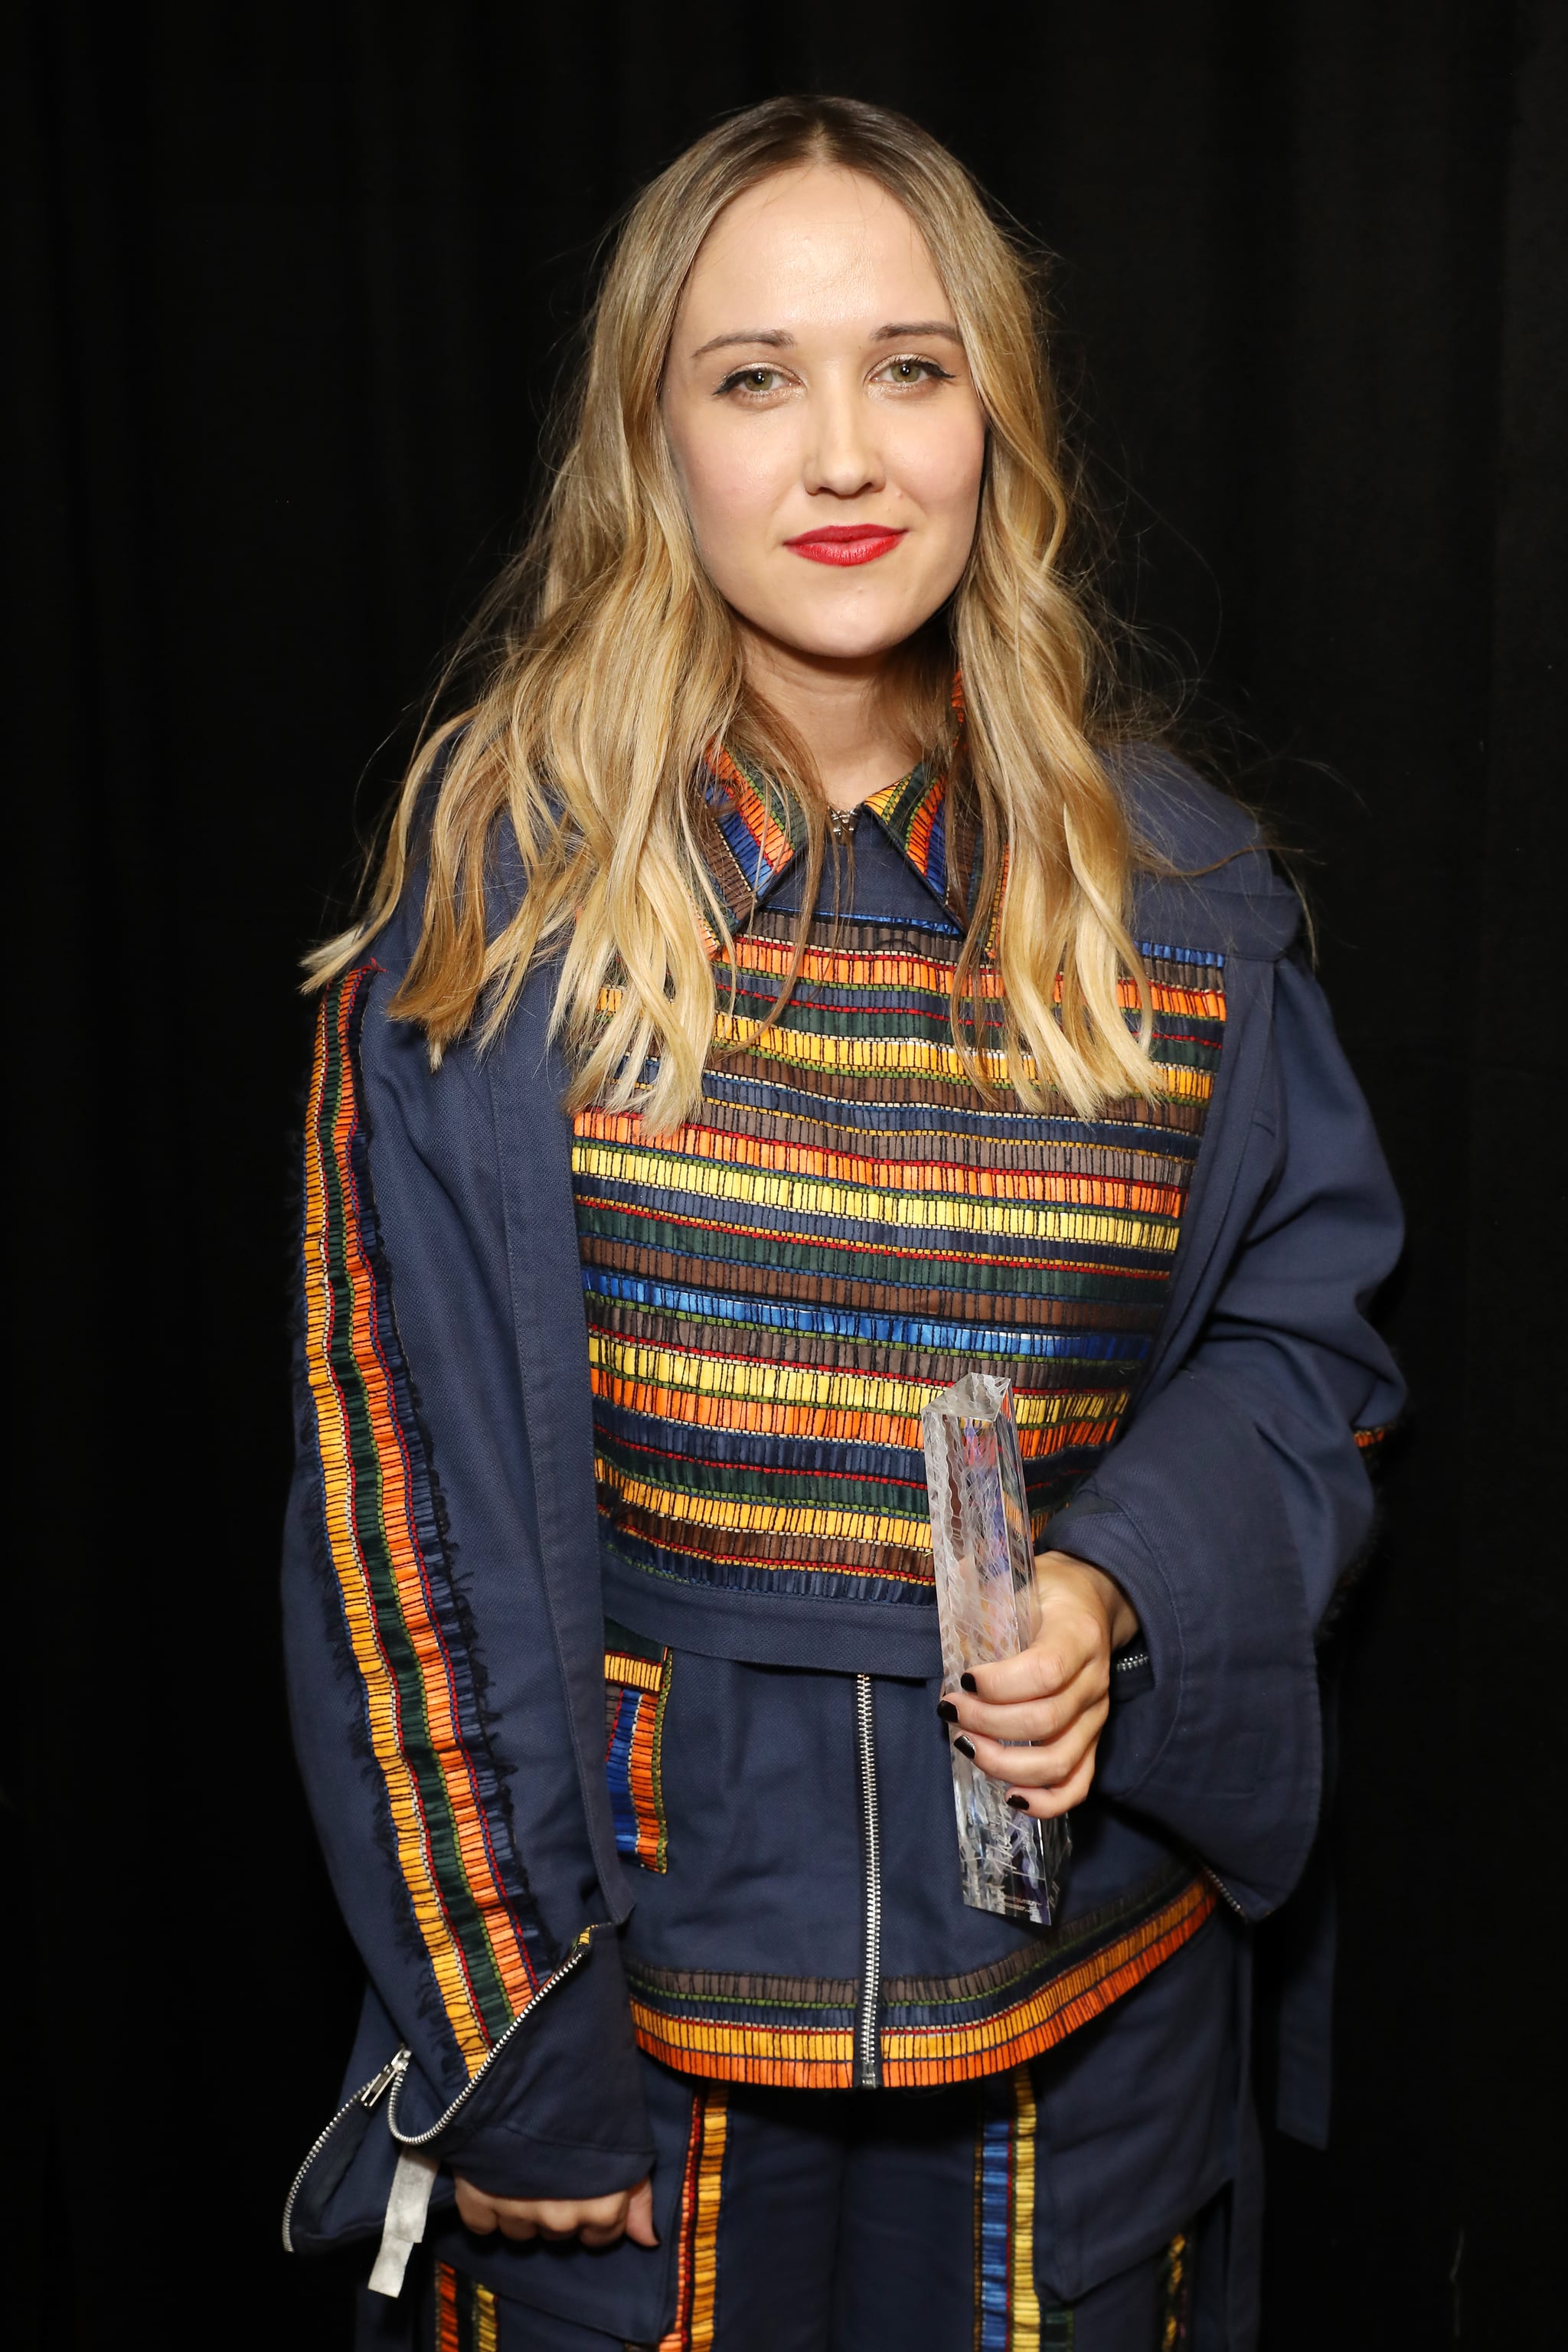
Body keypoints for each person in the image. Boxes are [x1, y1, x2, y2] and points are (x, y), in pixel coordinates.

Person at [281, 94, 1403, 2352]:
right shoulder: (497, 918)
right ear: (652, 441)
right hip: (645, 2038)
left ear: (997, 414)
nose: (843, 455)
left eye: (910, 365)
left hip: (1084, 2036)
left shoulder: (1177, 894)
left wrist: (1120, 1588)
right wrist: (514, 2054)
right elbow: (395, 1517)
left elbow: (1317, 1355)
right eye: (754, 377)